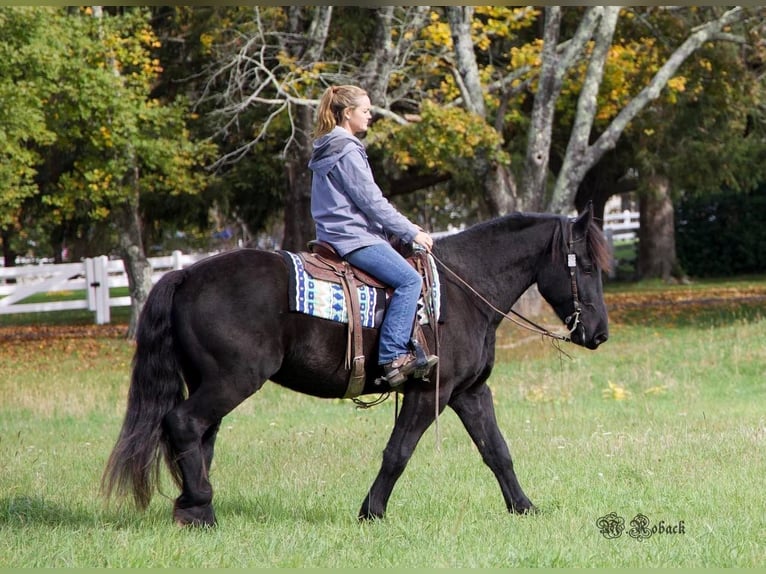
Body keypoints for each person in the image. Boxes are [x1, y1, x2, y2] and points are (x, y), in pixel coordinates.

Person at [308, 85, 438, 387]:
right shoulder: (347, 149)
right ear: (347, 113)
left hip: (333, 234)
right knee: (410, 280)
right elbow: (372, 202)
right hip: (354, 238)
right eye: (365, 110)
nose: (370, 116)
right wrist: (412, 232)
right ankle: (393, 357)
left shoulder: (327, 147)